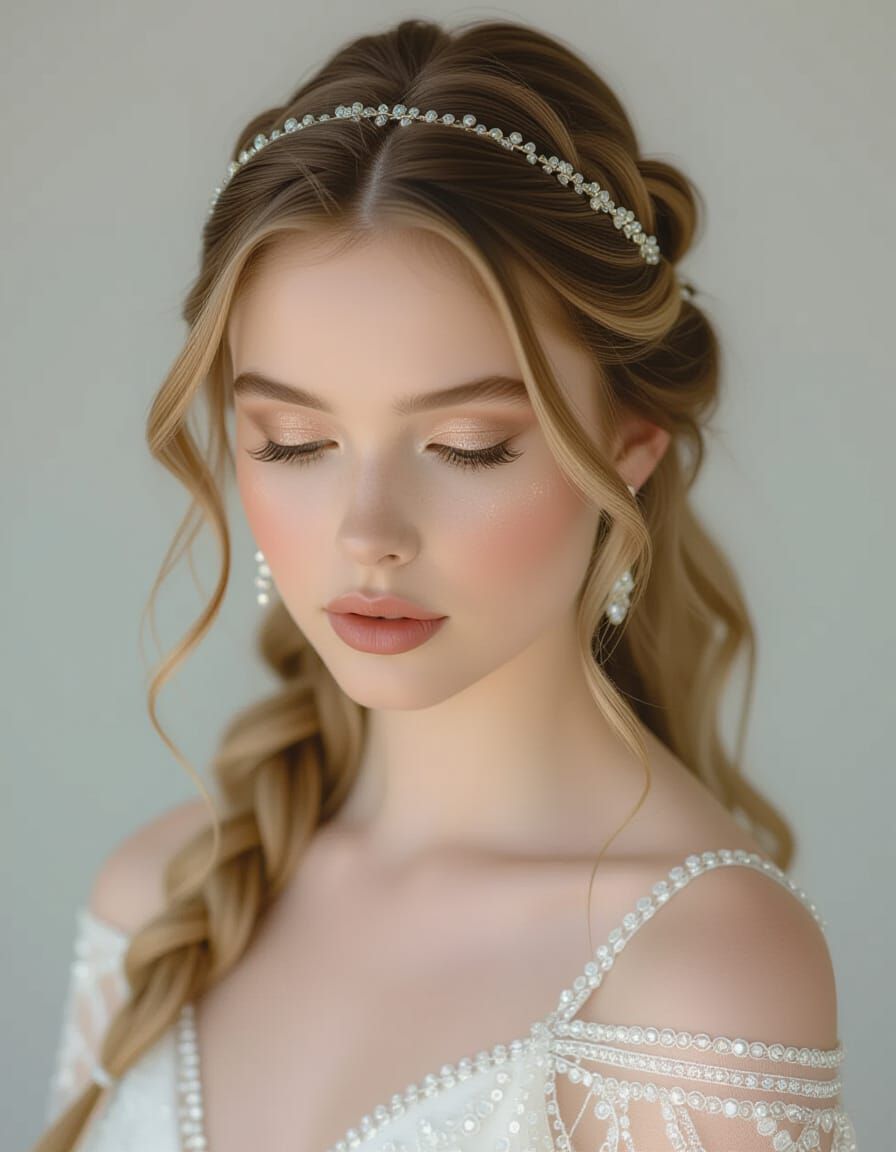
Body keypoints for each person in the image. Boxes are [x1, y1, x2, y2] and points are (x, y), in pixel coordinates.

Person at [33, 15, 858, 1152]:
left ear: (629, 446)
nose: (367, 533)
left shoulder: (696, 976)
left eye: (468, 446)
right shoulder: (157, 901)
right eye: (289, 442)